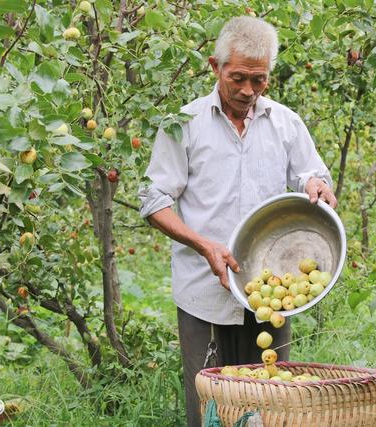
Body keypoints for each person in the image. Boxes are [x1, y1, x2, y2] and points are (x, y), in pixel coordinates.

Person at [138, 16, 337, 426]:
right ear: (216, 66)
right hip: (204, 294)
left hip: (272, 291)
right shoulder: (184, 125)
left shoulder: (286, 123)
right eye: (239, 78)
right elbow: (155, 200)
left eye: (259, 80)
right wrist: (204, 245)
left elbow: (310, 173)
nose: (248, 91)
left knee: (271, 405)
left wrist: (317, 184)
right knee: (210, 408)